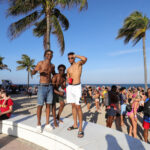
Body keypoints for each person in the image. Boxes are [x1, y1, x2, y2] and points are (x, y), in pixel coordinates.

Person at [32, 50, 55, 133]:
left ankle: (47, 123)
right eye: (48, 54)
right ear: (45, 55)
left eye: (51, 54)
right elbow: (33, 72)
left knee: (48, 105)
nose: (49, 55)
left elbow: (54, 74)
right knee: (40, 106)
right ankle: (38, 124)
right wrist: (37, 70)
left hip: (50, 86)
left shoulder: (52, 65)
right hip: (42, 86)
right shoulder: (40, 63)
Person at [66, 52, 87, 138]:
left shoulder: (79, 63)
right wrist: (67, 80)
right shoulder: (68, 69)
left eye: (71, 57)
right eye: (69, 58)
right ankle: (75, 125)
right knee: (73, 106)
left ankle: (81, 128)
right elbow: (68, 78)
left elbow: (85, 59)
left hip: (77, 87)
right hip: (70, 87)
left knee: (78, 107)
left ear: (74, 58)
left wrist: (76, 55)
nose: (70, 59)